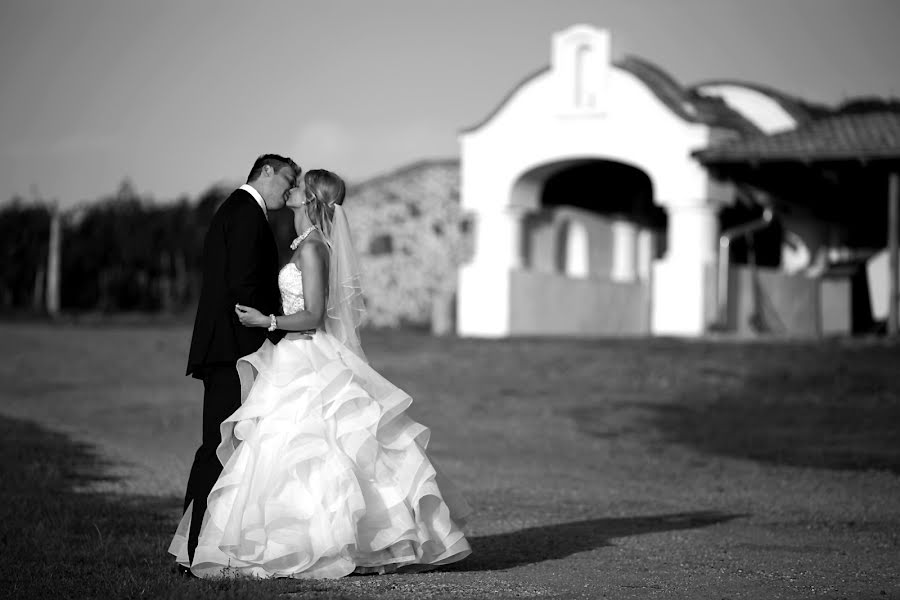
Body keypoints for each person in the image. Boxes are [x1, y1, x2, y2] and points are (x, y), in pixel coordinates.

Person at [169, 169, 471, 578]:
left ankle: (333, 543)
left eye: (299, 185)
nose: (290, 189)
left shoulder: (313, 249)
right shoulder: (303, 245)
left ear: (309, 198)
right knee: (283, 450)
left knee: (315, 446)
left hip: (306, 354)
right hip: (291, 356)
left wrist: (266, 321)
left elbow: (311, 317)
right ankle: (295, 540)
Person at [179, 154, 301, 571]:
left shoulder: (235, 208)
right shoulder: (248, 215)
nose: (292, 188)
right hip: (234, 349)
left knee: (217, 446)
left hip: (223, 347)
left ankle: (195, 547)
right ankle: (195, 550)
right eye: (288, 179)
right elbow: (245, 288)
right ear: (266, 172)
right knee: (219, 447)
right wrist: (276, 333)